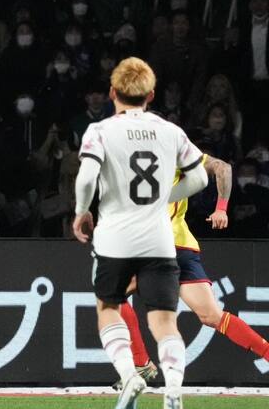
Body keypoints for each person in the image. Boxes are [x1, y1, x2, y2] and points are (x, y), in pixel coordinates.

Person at [72, 57, 208, 409]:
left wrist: (82, 210)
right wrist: (166, 197)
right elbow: (200, 178)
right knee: (164, 321)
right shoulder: (170, 131)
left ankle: (130, 374)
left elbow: (86, 178)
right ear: (150, 94)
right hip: (159, 239)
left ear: (112, 93)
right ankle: (174, 385)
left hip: (115, 237)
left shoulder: (100, 131)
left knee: (108, 308)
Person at [117, 153, 269, 387]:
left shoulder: (168, 154)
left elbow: (223, 167)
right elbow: (223, 167)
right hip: (182, 248)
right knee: (212, 316)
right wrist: (221, 209)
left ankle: (141, 363)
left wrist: (221, 209)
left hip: (159, 245)